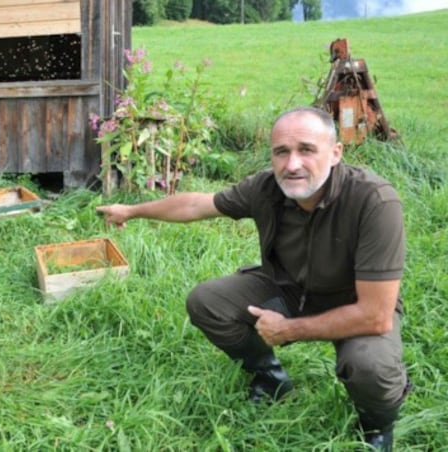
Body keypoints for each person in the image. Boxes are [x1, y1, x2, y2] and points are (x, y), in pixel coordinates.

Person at [96, 107, 410, 451]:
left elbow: (376, 315)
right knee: (207, 302)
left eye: (306, 150)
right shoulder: (265, 189)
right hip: (291, 292)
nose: (292, 164)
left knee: (370, 366)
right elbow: (196, 206)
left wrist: (290, 330)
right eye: (281, 152)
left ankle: (377, 427)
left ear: (335, 154)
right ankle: (271, 378)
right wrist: (132, 211)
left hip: (357, 305)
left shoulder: (374, 201)